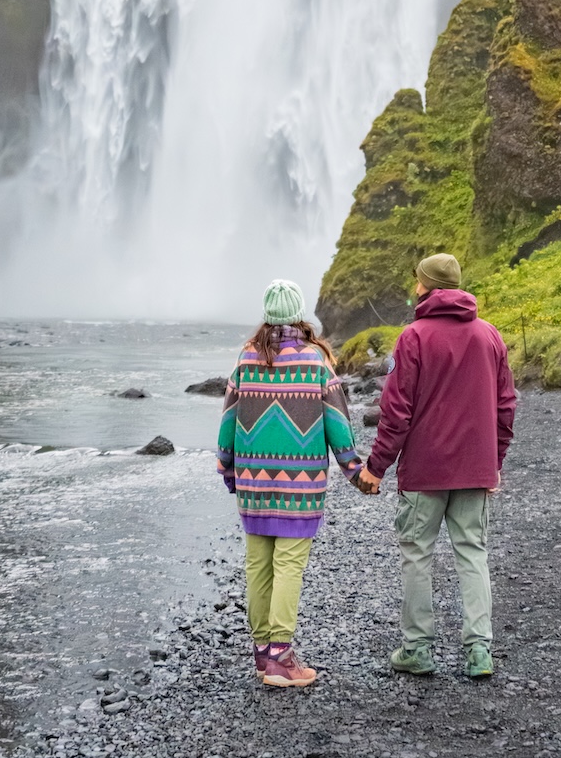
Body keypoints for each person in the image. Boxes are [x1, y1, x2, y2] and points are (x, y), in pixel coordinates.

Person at [357, 253, 516, 679]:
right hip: (475, 469)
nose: (414, 288)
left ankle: (417, 650)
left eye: (417, 281)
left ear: (427, 286)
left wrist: (376, 466)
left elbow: (396, 411)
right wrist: (493, 463)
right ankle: (479, 651)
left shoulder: (413, 337)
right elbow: (506, 405)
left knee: (416, 556)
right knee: (473, 554)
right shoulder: (490, 335)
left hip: (424, 471)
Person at [217, 278, 364, 687]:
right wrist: (355, 470)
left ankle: (263, 653)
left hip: (253, 479)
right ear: (299, 315)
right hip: (302, 483)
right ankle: (282, 656)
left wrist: (228, 470)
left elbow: (228, 419)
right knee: (289, 565)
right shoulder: (316, 361)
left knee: (257, 564)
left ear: (266, 315)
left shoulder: (246, 359)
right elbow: (337, 421)